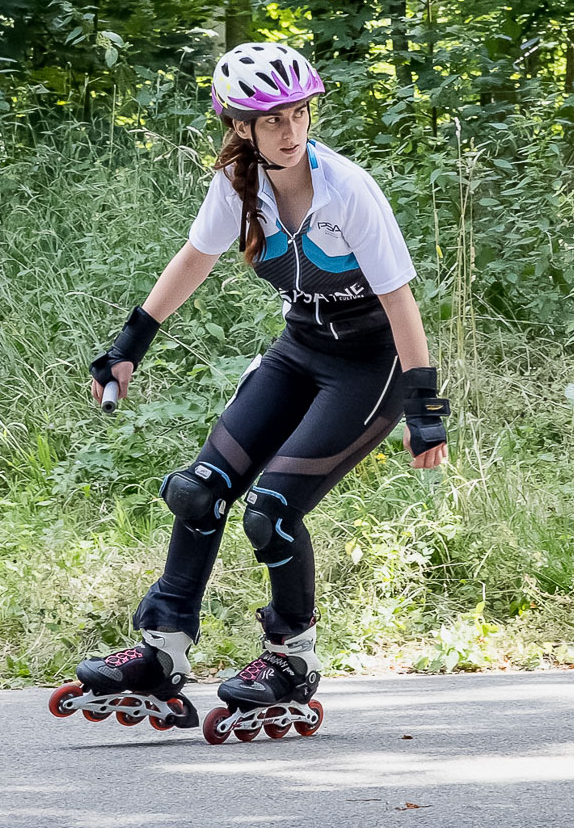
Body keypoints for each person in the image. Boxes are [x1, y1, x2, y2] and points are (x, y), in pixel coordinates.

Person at [49, 42, 450, 744]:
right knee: (198, 490)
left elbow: (399, 300)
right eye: (272, 120)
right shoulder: (238, 186)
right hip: (301, 351)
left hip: (371, 368)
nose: (291, 131)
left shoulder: (348, 189)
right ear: (240, 126)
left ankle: (292, 657)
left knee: (271, 512)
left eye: (299, 114)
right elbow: (194, 258)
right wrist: (128, 346)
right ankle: (162, 649)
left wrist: (425, 408)